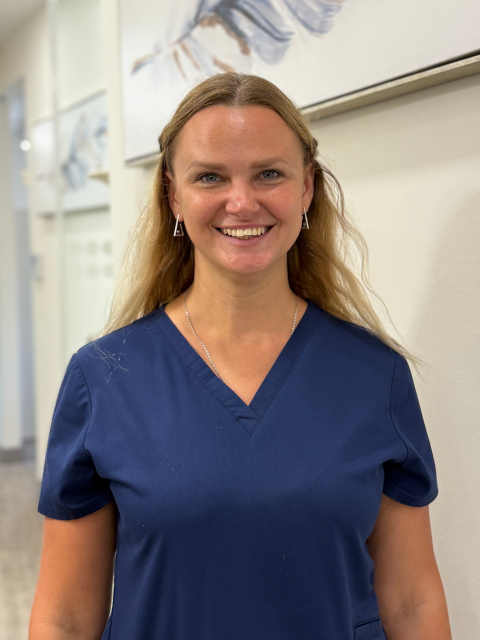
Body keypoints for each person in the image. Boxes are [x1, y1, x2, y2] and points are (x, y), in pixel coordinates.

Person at [29, 72, 452, 640]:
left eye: (269, 174)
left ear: (306, 188)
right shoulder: (103, 378)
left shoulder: (374, 376)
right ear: (174, 196)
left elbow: (412, 603)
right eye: (210, 177)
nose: (242, 201)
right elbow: (63, 617)